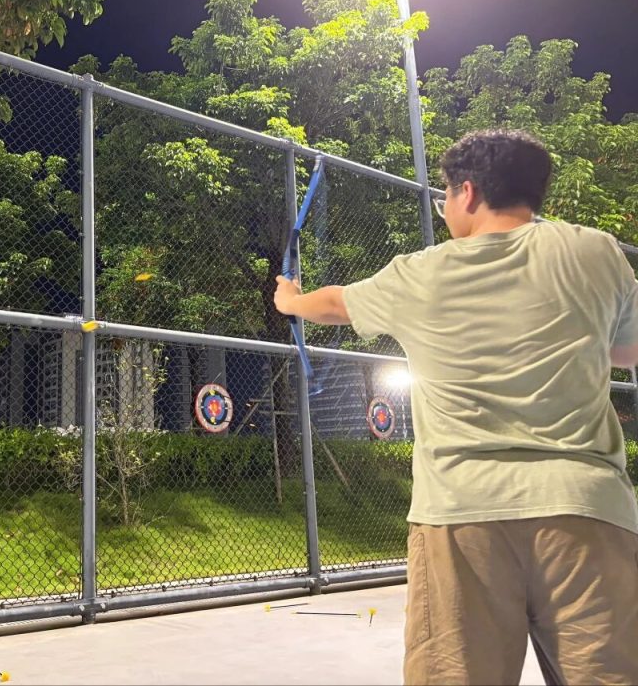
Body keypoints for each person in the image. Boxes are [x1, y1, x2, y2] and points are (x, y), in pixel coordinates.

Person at [273, 129, 638, 685]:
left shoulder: (419, 274)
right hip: (587, 508)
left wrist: (290, 299)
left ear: (467, 192)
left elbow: (334, 304)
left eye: (445, 194)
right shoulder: (596, 252)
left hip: (462, 512)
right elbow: (627, 349)